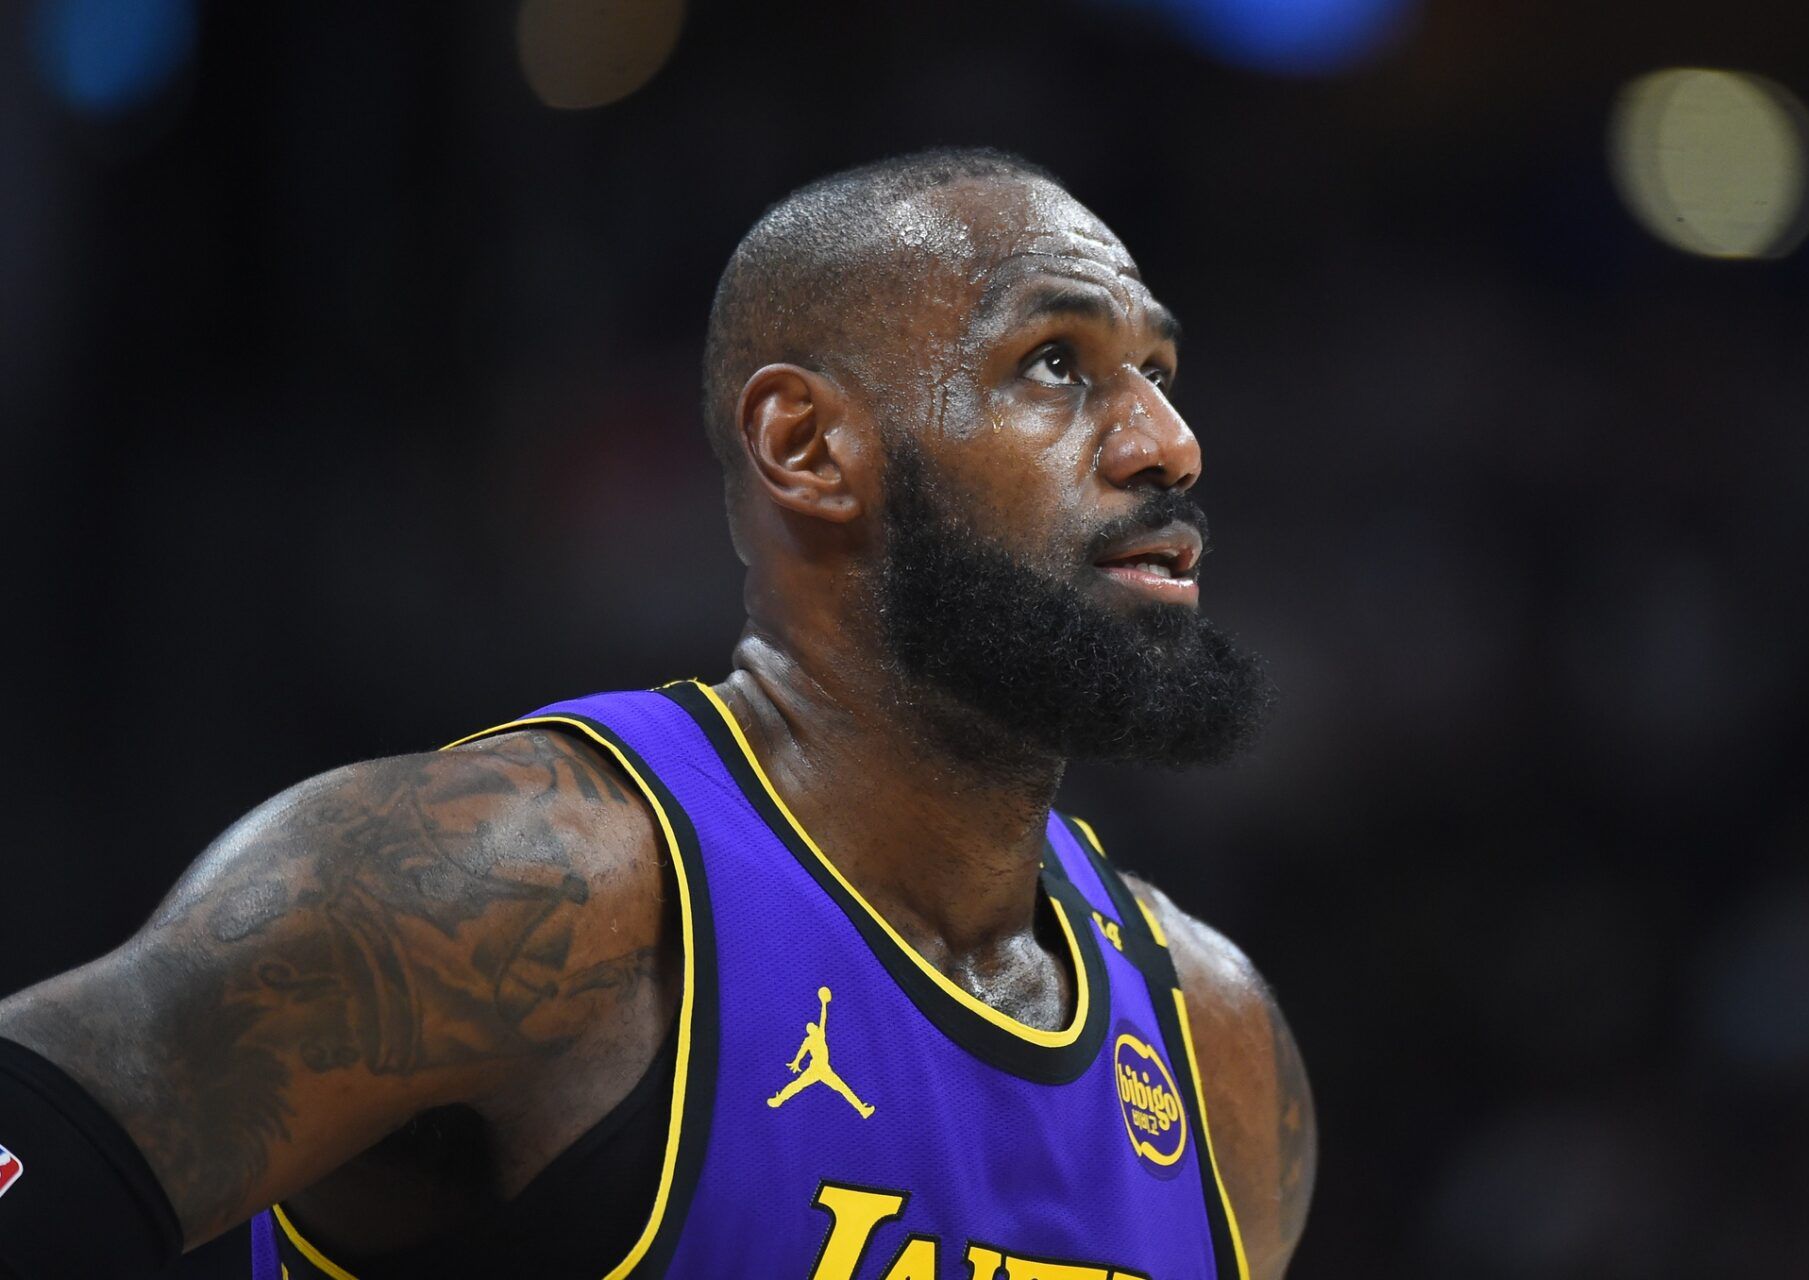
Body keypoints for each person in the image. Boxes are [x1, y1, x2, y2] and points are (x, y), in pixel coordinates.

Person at [0, 148, 1315, 1280]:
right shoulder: (512, 889)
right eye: (1053, 363)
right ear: (806, 446)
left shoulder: (1217, 1045)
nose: (1167, 439)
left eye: (1157, 369)